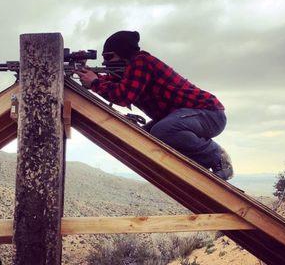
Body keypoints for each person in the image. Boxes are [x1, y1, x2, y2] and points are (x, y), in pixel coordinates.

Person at [75, 30, 233, 180]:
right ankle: (200, 165)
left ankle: (216, 156)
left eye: (109, 57)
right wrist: (90, 76)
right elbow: (112, 83)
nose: (105, 62)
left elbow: (122, 96)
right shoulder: (129, 70)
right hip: (189, 116)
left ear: (124, 53)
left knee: (162, 131)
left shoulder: (141, 62)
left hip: (210, 113)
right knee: (143, 140)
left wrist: (94, 82)